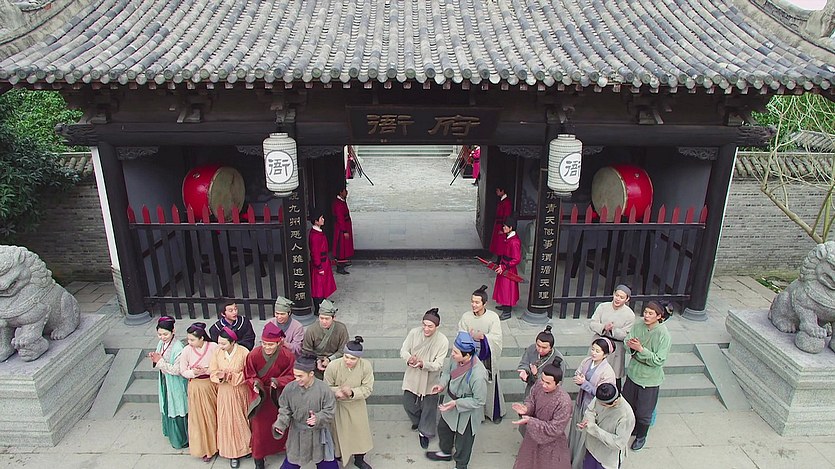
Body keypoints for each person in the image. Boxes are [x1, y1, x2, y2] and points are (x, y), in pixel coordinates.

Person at [425, 332, 488, 469]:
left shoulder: (478, 374)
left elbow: (479, 400)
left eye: (455, 352)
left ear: (467, 355)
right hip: (450, 401)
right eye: (453, 350)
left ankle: (461, 465)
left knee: (464, 441)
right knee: (443, 428)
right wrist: (441, 385)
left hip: (467, 411)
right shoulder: (454, 358)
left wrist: (456, 403)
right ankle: (445, 452)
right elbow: (447, 372)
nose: (452, 354)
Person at [272, 354, 339, 469]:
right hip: (297, 435)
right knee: (290, 465)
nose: (297, 379)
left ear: (311, 374)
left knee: (328, 465)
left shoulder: (324, 389)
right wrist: (281, 424)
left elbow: (330, 410)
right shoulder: (290, 389)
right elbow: (284, 409)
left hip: (319, 434)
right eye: (295, 376)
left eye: (300, 376)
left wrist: (318, 418)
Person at [245, 322, 296, 469]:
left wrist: (278, 381)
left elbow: (293, 375)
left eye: (271, 344)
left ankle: (283, 449)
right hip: (261, 397)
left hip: (278, 396)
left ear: (279, 342)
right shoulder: (253, 355)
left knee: (281, 424)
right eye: (264, 344)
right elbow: (249, 374)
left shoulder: (287, 355)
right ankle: (259, 459)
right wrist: (255, 383)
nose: (267, 347)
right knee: (259, 430)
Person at [622, 301, 672, 451]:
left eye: (651, 313)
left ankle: (641, 436)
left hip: (649, 378)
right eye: (645, 312)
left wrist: (641, 349)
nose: (646, 316)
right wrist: (631, 346)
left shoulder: (663, 334)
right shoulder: (638, 325)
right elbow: (627, 340)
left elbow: (659, 360)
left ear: (659, 316)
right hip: (633, 372)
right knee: (628, 404)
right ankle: (632, 427)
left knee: (644, 410)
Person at [400, 308, 450, 450]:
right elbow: (403, 350)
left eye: (430, 326)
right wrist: (409, 358)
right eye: (424, 325)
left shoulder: (442, 340)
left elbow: (439, 364)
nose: (426, 329)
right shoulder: (414, 333)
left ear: (437, 326)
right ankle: (418, 420)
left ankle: (425, 432)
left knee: (429, 407)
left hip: (430, 378)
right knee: (408, 403)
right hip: (413, 374)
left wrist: (423, 364)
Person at [511, 357, 572, 469]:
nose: (543, 384)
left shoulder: (564, 401)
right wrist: (526, 409)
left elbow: (555, 429)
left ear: (558, 383)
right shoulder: (539, 385)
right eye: (542, 380)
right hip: (532, 436)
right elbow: (531, 400)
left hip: (552, 443)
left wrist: (530, 421)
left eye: (548, 383)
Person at [325, 336, 375, 469]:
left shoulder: (366, 366)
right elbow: (326, 386)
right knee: (338, 434)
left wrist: (352, 392)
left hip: (356, 405)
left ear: (359, 358)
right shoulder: (333, 366)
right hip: (338, 405)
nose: (348, 361)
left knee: (359, 433)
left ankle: (359, 459)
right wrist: (336, 392)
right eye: (346, 357)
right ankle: (339, 456)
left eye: (353, 359)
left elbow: (368, 388)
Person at [458, 285, 505, 423]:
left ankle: (494, 413)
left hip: (487, 356)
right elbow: (460, 335)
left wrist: (483, 337)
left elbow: (496, 338)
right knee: (472, 386)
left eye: (477, 302)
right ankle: (475, 415)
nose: (474, 304)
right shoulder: (466, 317)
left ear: (484, 303)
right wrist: (469, 339)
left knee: (490, 385)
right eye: (472, 301)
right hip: (471, 356)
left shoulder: (492, 317)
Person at [569, 338, 617, 469]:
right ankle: (570, 457)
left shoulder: (608, 372)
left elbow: (603, 394)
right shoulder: (587, 361)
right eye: (593, 349)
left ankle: (579, 464)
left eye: (597, 351)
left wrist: (584, 383)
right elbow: (578, 372)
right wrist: (579, 377)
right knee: (575, 433)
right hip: (581, 402)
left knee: (585, 437)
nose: (593, 353)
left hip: (592, 408)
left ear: (605, 354)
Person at [210, 327, 251, 468]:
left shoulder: (244, 352)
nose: (220, 346)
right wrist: (219, 377)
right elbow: (212, 371)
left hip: (240, 391)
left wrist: (230, 376)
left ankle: (246, 447)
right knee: (227, 421)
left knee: (242, 419)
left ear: (233, 342)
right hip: (225, 392)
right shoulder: (217, 353)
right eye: (219, 343)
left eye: (224, 343)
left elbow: (248, 373)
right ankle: (233, 453)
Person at [179, 322, 219, 462]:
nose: (189, 342)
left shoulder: (213, 347)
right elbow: (183, 371)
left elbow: (219, 365)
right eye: (188, 339)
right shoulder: (186, 350)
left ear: (201, 338)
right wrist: (194, 373)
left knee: (214, 415)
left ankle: (219, 444)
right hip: (196, 386)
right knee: (199, 418)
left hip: (211, 384)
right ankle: (205, 448)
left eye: (192, 339)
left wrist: (207, 370)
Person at [148, 316, 189, 449]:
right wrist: (155, 358)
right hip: (166, 380)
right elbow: (159, 357)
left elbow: (177, 370)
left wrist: (159, 362)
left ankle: (181, 439)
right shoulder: (161, 344)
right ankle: (172, 434)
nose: (162, 337)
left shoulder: (178, 347)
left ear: (173, 331)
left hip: (176, 383)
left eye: (165, 334)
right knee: (168, 404)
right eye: (160, 334)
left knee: (178, 406)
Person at [577, 383, 636, 469]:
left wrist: (594, 429)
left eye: (603, 405)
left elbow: (618, 443)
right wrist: (588, 421)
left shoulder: (626, 416)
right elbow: (590, 410)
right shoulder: (601, 398)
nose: (599, 404)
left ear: (614, 402)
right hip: (592, 447)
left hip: (607, 456)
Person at [588, 285, 636, 388]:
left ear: (627, 299)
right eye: (617, 295)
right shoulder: (603, 307)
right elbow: (592, 323)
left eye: (622, 297)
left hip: (616, 347)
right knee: (593, 371)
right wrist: (603, 327)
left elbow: (626, 334)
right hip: (599, 340)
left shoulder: (630, 315)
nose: (618, 299)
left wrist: (613, 330)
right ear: (613, 294)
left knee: (614, 374)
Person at [302, 300, 349, 380]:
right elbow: (306, 350)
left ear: (333, 318)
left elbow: (343, 349)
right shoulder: (311, 330)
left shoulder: (341, 328)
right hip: (315, 360)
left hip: (335, 360)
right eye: (321, 318)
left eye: (327, 319)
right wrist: (317, 360)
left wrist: (330, 359)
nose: (324, 321)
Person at [517, 325, 566, 398]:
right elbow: (524, 362)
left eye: (544, 347)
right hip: (531, 389)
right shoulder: (532, 348)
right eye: (538, 345)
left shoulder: (559, 359)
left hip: (547, 395)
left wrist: (536, 374)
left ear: (551, 347)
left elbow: (558, 383)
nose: (540, 350)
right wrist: (524, 371)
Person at [309, 207, 337, 315]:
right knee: (318, 287)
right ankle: (318, 308)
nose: (323, 219)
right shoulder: (315, 236)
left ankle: (323, 302)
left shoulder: (318, 232)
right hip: (320, 264)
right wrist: (319, 266)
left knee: (323, 284)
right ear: (316, 221)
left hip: (324, 262)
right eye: (321, 218)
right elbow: (315, 253)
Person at [493, 214, 521, 320]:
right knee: (503, 288)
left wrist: (505, 266)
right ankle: (504, 305)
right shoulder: (509, 238)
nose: (503, 227)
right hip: (504, 265)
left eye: (505, 226)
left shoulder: (514, 242)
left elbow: (516, 259)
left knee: (507, 290)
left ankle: (507, 311)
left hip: (509, 268)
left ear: (511, 228)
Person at [331, 187, 354, 275]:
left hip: (345, 225)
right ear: (340, 192)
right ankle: (340, 266)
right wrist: (344, 230)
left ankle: (343, 262)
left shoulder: (341, 201)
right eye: (344, 191)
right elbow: (340, 218)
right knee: (341, 248)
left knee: (345, 246)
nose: (346, 192)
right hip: (341, 228)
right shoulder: (338, 204)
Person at [489, 186, 512, 257]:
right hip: (498, 224)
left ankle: (500, 259)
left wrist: (503, 228)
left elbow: (507, 216)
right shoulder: (502, 201)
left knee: (501, 244)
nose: (497, 192)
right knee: (498, 244)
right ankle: (498, 259)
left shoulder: (507, 202)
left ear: (502, 191)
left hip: (502, 225)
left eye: (498, 190)